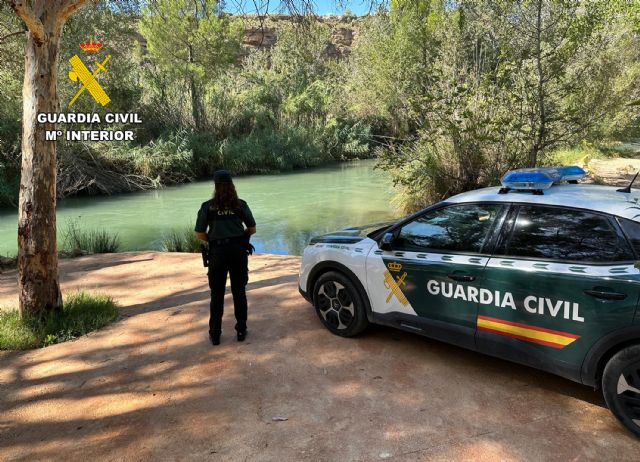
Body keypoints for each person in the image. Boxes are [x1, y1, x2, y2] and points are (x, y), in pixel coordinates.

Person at [195, 170, 256, 345]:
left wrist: (214, 239)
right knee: (239, 292)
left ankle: (215, 334)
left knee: (217, 294)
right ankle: (241, 330)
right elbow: (252, 229)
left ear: (215, 186)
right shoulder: (240, 205)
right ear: (232, 185)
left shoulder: (207, 207)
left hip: (217, 253)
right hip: (238, 252)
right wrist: (240, 238)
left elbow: (199, 234)